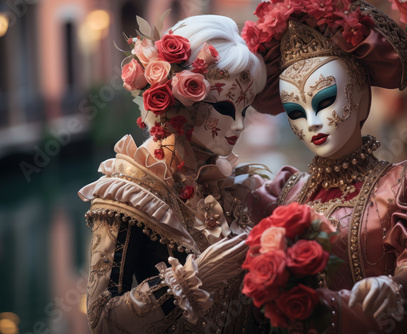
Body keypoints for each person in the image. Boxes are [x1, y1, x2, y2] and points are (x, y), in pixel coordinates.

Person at [243, 0, 407, 332]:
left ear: (361, 93)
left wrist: (395, 287)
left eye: (324, 100)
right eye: (296, 111)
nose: (312, 122)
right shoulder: (280, 196)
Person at [78, 15, 266, 333]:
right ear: (179, 101)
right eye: (224, 108)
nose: (239, 125)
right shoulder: (129, 190)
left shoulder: (228, 183)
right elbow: (100, 321)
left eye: (244, 110)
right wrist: (192, 281)